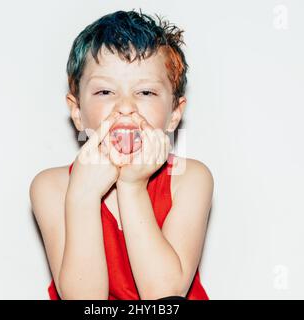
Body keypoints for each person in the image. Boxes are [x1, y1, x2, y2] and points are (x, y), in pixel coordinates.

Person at [30, 9, 214, 300]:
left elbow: (165, 295)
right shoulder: (51, 187)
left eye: (146, 93)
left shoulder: (190, 179)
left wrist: (132, 187)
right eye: (105, 92)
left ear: (174, 114)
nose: (125, 107)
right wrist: (82, 196)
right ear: (77, 112)